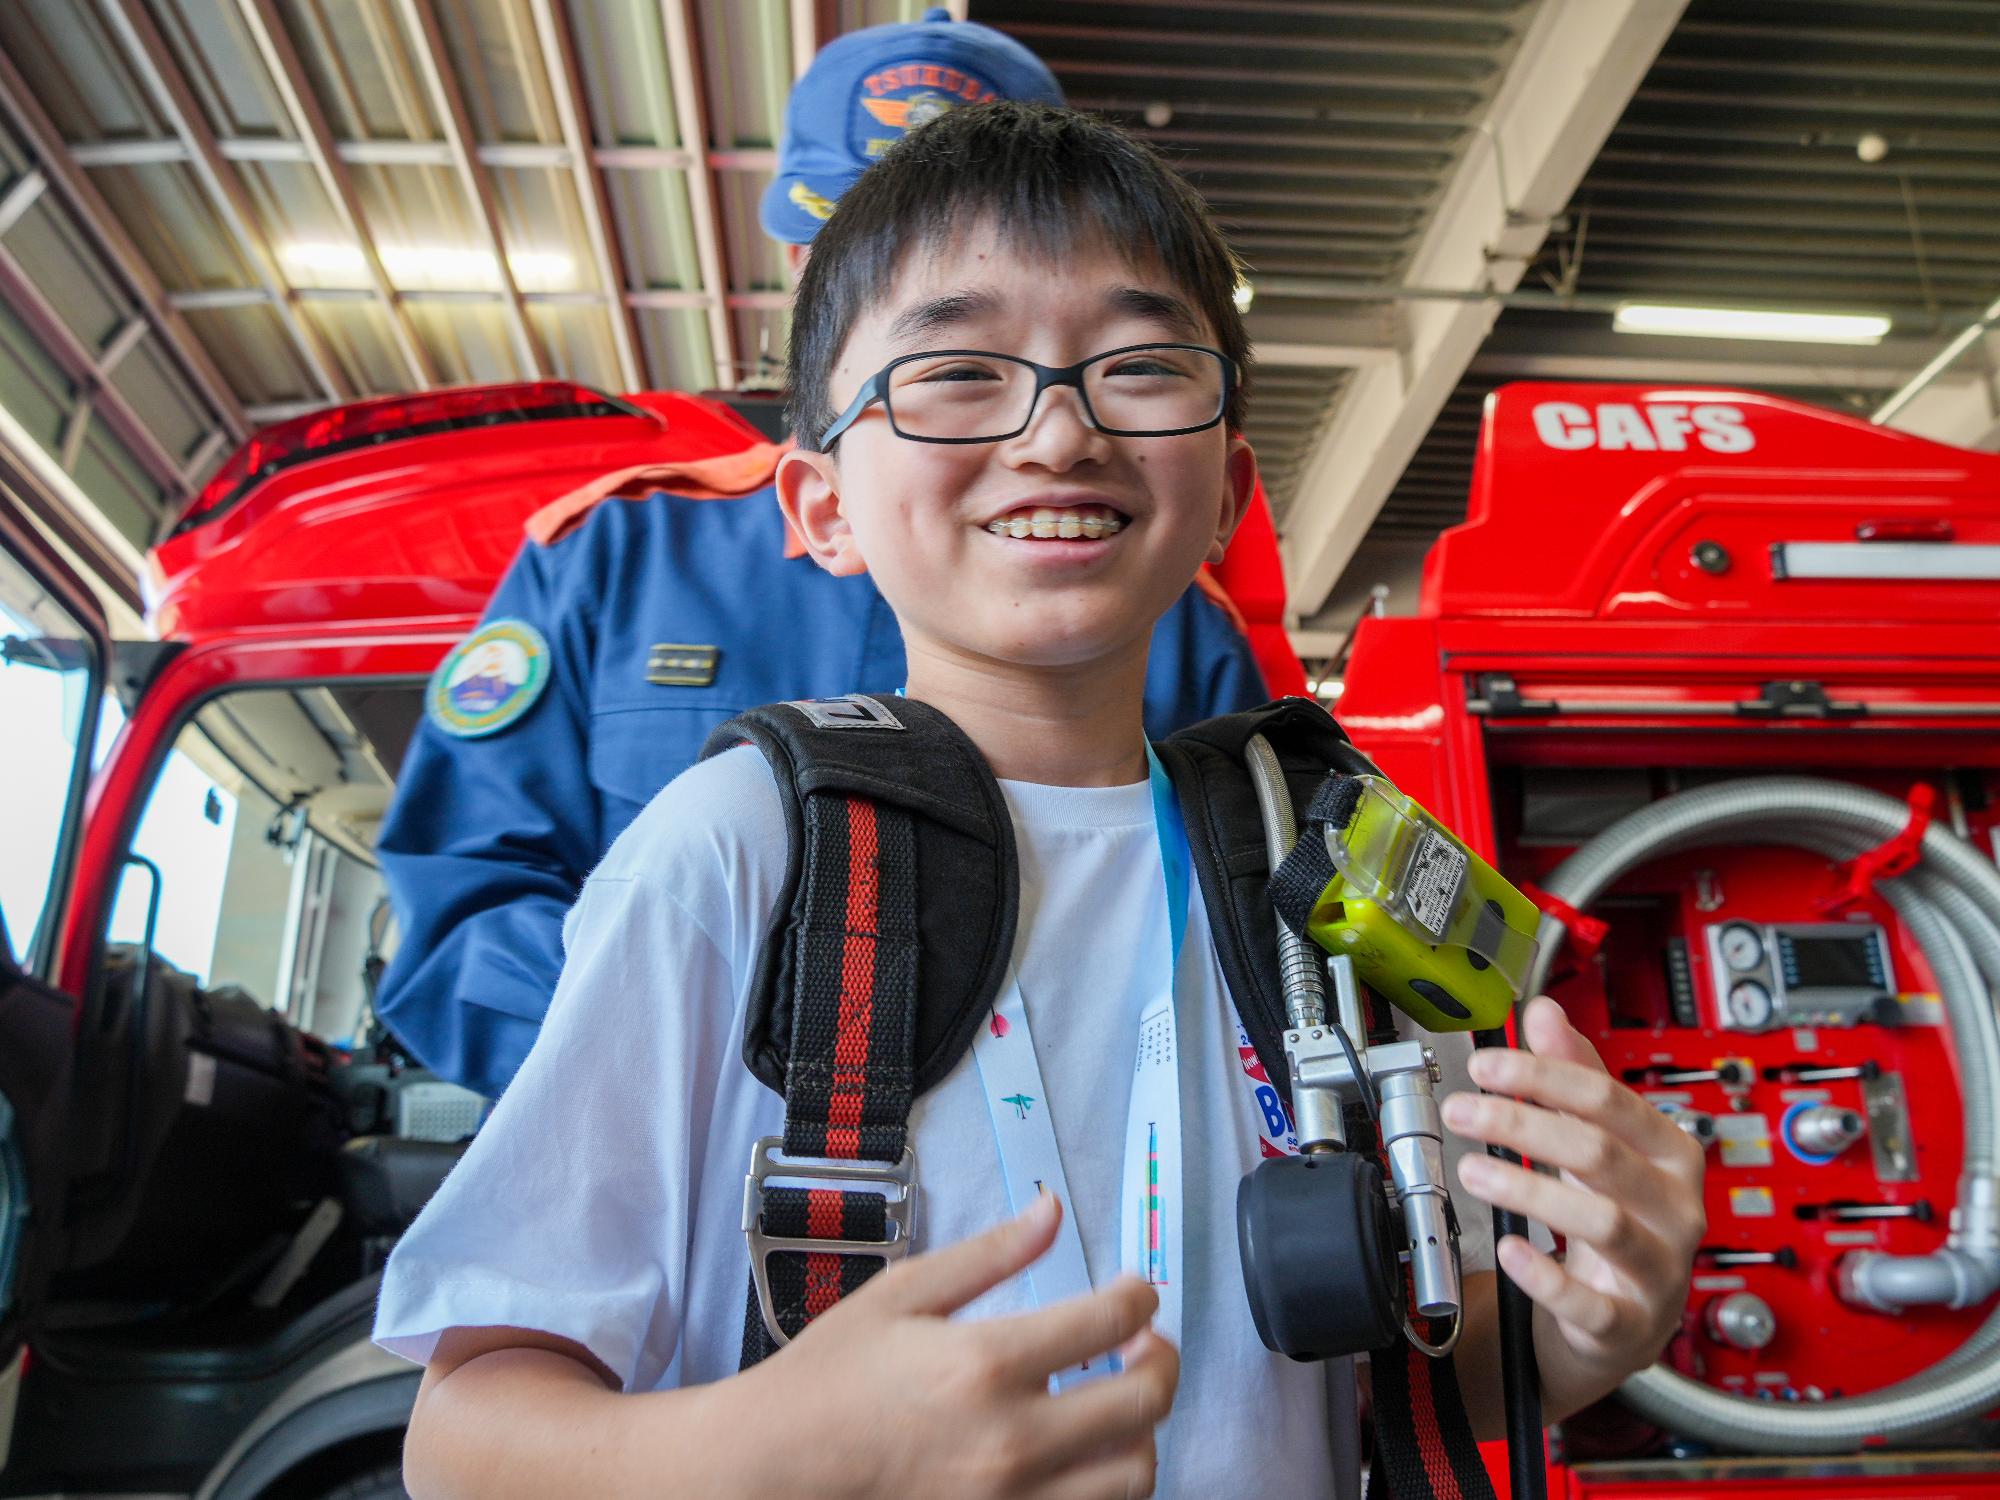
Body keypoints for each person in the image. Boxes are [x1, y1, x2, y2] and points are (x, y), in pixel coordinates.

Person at [373, 104, 1705, 1499]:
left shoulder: (1318, 865)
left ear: (1228, 491)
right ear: (821, 507)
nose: (1060, 428)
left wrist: (1585, 1324)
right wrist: (757, 1452)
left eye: (1138, 366)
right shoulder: (737, 854)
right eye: (957, 370)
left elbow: (1413, 1338)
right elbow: (466, 1433)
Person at [371, 8, 1284, 1103]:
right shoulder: (614, 554)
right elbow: (466, 902)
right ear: (802, 267)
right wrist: (699, 1107)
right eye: (867, 239)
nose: (1049, 432)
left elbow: (1234, 927)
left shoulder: (1163, 607)